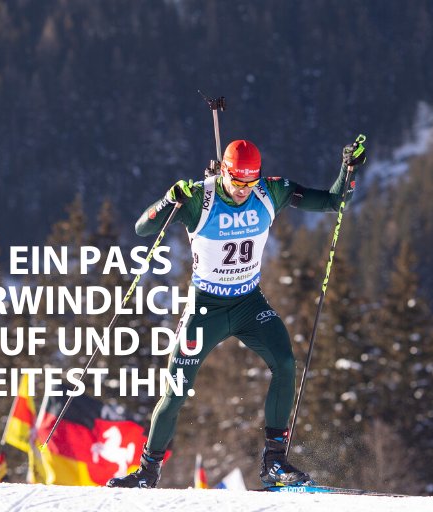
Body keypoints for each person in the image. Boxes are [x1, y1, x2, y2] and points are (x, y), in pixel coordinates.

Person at [106, 138, 367, 489]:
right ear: (224, 172)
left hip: (248, 303)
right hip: (205, 308)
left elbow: (334, 202)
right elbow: (143, 228)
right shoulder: (199, 198)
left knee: (285, 364)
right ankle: (147, 473)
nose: (244, 189)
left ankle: (274, 463)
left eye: (250, 181)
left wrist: (348, 170)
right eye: (237, 181)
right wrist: (169, 199)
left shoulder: (270, 192)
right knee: (176, 391)